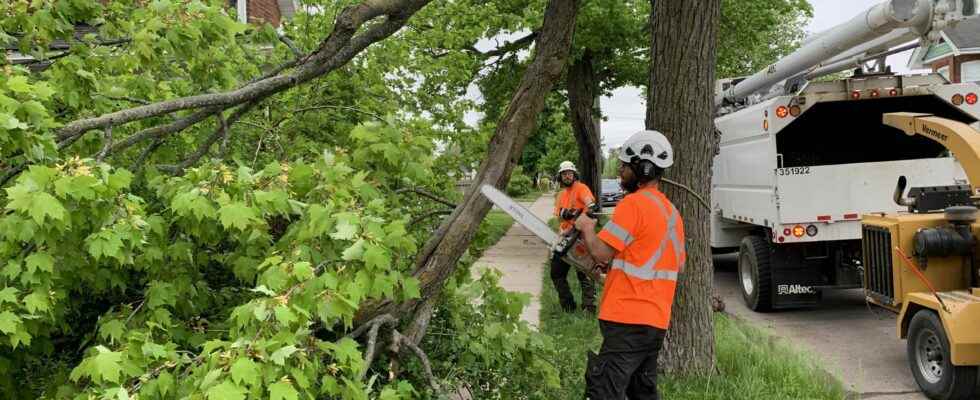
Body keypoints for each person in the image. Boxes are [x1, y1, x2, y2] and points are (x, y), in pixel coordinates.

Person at [573, 130, 686, 400]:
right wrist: (619, 269)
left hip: (627, 318)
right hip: (655, 320)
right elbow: (677, 265)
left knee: (604, 392)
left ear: (643, 168)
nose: (621, 171)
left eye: (625, 166)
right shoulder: (672, 212)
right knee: (641, 393)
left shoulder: (632, 204)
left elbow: (600, 253)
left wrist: (587, 228)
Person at [552, 161, 597, 313]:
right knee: (556, 272)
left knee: (584, 273)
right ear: (560, 176)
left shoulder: (581, 188)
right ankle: (568, 305)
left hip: (580, 236)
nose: (567, 176)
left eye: (569, 173)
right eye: (564, 174)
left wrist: (582, 214)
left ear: (574, 174)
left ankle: (588, 307)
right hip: (565, 237)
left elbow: (590, 205)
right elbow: (558, 214)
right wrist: (565, 214)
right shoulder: (560, 195)